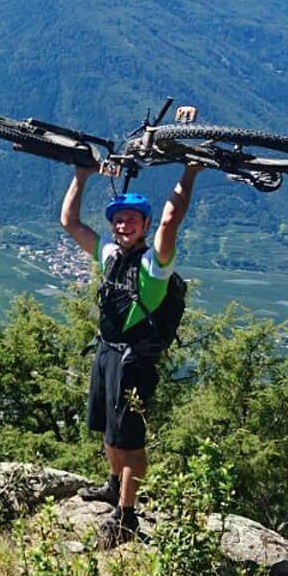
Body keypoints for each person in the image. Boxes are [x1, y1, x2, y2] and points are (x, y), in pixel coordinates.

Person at [60, 161, 200, 547]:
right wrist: (81, 175)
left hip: (134, 362)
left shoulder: (155, 265)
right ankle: (111, 485)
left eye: (132, 220)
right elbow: (70, 221)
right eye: (118, 220)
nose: (124, 225)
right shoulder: (108, 254)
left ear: (144, 224)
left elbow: (171, 220)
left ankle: (126, 515)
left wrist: (189, 173)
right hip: (106, 353)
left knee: (131, 440)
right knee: (108, 428)